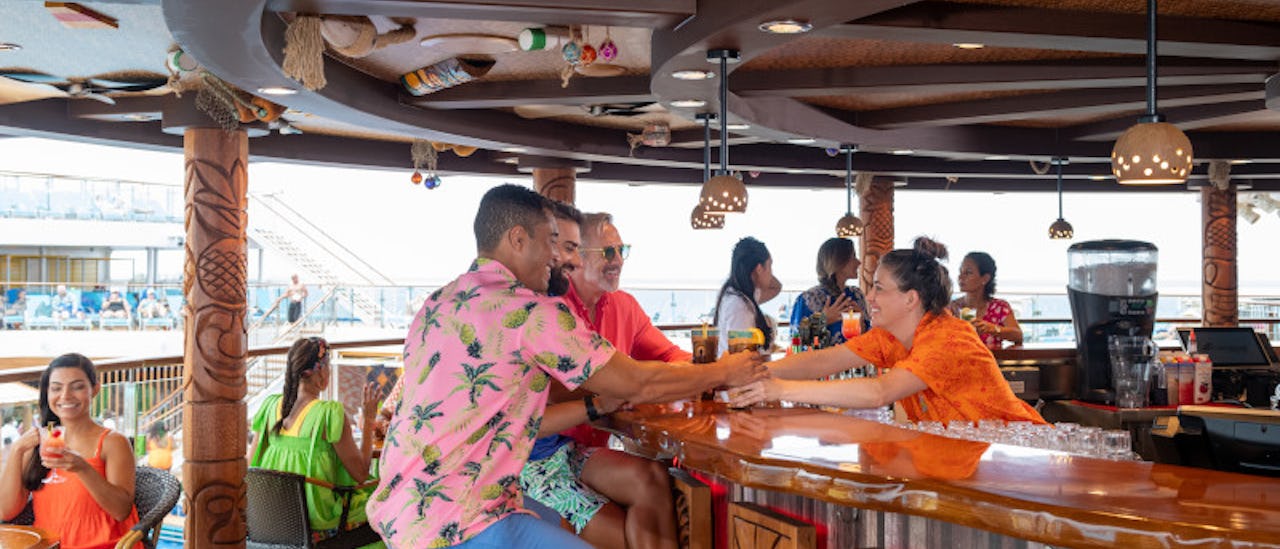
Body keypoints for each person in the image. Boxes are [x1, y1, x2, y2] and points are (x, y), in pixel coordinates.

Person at [367, 184, 765, 549]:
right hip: (461, 522)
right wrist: (726, 371)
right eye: (553, 242)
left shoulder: (438, 303)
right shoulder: (529, 311)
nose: (559, 257)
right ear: (518, 239)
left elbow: (500, 417)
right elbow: (636, 383)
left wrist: (594, 407)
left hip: (404, 512)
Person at [731, 237, 1045, 426]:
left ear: (911, 299)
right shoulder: (890, 336)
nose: (869, 298)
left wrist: (779, 389)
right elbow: (823, 361)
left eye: (879, 289)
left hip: (1020, 457)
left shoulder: (949, 337)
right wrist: (753, 373)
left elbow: (879, 392)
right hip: (972, 456)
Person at [520, 205, 679, 548]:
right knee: (624, 536)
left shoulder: (622, 306)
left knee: (653, 477)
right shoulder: (551, 308)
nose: (618, 260)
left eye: (622, 251)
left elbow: (668, 357)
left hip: (574, 448)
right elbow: (549, 395)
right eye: (608, 251)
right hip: (531, 459)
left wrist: (712, 372)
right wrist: (614, 389)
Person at [249, 337, 383, 547]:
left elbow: (251, 466)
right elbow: (361, 475)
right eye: (328, 367)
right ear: (319, 371)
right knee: (385, 508)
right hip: (318, 524)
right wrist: (368, 420)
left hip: (272, 522)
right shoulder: (328, 414)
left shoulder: (269, 407)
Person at [0, 353, 142, 549]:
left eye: (77, 387)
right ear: (47, 393)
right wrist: (17, 450)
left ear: (95, 389)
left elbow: (121, 511)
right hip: (49, 545)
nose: (66, 396)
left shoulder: (113, 443)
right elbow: (5, 512)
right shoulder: (38, 443)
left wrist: (83, 468)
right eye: (56, 388)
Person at [790, 237, 870, 345]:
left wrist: (862, 325)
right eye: (853, 257)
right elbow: (796, 343)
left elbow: (868, 339)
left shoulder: (856, 295)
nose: (858, 262)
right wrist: (823, 320)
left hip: (854, 361)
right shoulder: (809, 298)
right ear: (838, 261)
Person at [714, 237, 779, 356]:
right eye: (770, 266)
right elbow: (741, 356)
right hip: (738, 373)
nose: (772, 274)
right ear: (759, 269)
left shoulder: (740, 294)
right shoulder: (739, 306)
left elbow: (776, 287)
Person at [948, 252, 1023, 349]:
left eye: (968, 272)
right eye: (960, 272)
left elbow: (1018, 336)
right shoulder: (951, 307)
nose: (960, 277)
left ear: (985, 278)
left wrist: (993, 329)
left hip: (993, 362)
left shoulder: (999, 307)